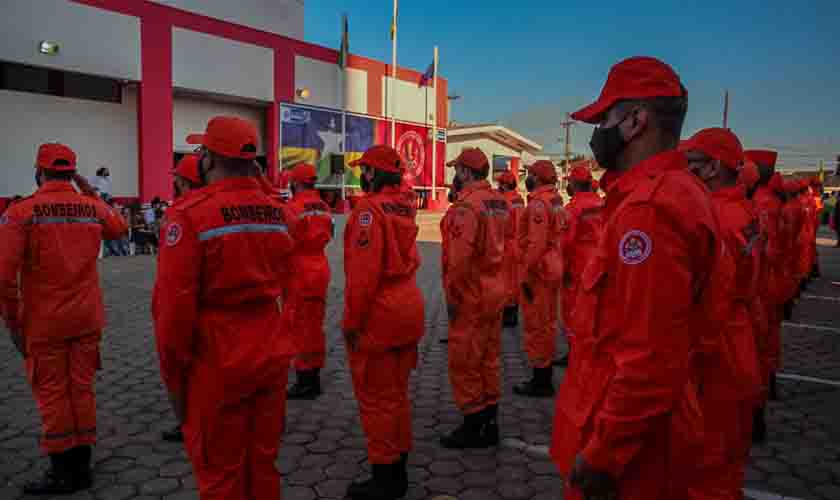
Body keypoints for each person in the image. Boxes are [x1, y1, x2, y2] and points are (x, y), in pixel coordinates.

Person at [550, 56, 720, 500]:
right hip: (643, 434)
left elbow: (648, 358)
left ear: (634, 121)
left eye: (604, 118)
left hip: (631, 457)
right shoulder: (673, 193)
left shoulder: (648, 212)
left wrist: (603, 454)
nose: (596, 132)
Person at [153, 116, 297, 500]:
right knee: (263, 463)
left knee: (220, 474)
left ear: (208, 159)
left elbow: (173, 310)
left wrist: (174, 380)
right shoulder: (278, 212)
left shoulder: (188, 214)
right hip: (271, 346)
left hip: (217, 357)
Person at [0, 143, 127, 494]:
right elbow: (119, 230)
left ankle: (62, 472)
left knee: (54, 394)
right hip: (86, 318)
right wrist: (87, 190)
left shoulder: (20, 212)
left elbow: (3, 277)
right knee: (82, 390)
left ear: (38, 171)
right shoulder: (91, 207)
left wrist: (12, 323)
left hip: (45, 323)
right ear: (73, 173)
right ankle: (82, 466)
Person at [681, 128, 763, 500]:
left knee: (705, 467)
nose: (685, 171)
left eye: (692, 164)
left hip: (716, 350)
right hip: (739, 336)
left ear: (713, 168)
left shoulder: (717, 218)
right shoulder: (743, 210)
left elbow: (703, 299)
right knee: (727, 461)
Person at [342, 145, 425, 499]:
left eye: (364, 170)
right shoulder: (404, 207)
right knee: (397, 395)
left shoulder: (368, 211)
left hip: (381, 314)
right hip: (409, 306)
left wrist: (351, 323)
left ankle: (385, 478)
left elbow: (363, 277)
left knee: (376, 399)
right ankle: (399, 465)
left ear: (373, 175)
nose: (361, 174)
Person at [440, 147, 509, 449]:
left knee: (465, 360)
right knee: (489, 358)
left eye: (457, 170)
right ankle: (490, 419)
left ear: (466, 173)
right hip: (495, 289)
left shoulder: (466, 208)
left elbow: (458, 260)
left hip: (471, 294)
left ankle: (473, 425)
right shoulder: (499, 202)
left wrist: (452, 298)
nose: (454, 176)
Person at [157, 153, 203, 443]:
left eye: (176, 179)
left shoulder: (182, 214)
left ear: (184, 182)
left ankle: (187, 424)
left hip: (182, 308)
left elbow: (176, 282)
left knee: (179, 370)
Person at [515, 160, 566, 397]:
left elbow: (536, 243)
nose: (527, 177)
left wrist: (524, 273)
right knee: (547, 322)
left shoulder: (538, 204)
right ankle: (543, 376)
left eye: (529, 174)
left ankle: (541, 380)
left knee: (537, 324)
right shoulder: (555, 199)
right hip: (553, 264)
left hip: (540, 269)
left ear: (536, 177)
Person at [744, 150, 783, 442]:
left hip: (753, 293)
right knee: (762, 348)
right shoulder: (762, 207)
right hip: (765, 285)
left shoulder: (757, 209)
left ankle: (754, 415)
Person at [285, 163, 333, 400]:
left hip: (300, 270)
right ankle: (313, 375)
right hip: (320, 268)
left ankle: (305, 381)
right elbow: (330, 234)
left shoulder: (292, 208)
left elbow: (285, 242)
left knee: (299, 326)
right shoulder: (324, 206)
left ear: (295, 183)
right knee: (315, 325)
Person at [561, 164, 605, 367]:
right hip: (600, 264)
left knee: (574, 312)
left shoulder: (572, 209)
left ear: (575, 183)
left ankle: (576, 355)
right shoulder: (602, 203)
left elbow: (566, 243)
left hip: (578, 266)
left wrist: (563, 269)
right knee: (595, 312)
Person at [496, 170, 525, 328]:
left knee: (507, 280)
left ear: (505, 185)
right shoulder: (519, 199)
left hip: (507, 244)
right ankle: (512, 313)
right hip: (518, 243)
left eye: (500, 183)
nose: (498, 185)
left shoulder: (505, 201)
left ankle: (508, 315)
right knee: (515, 280)